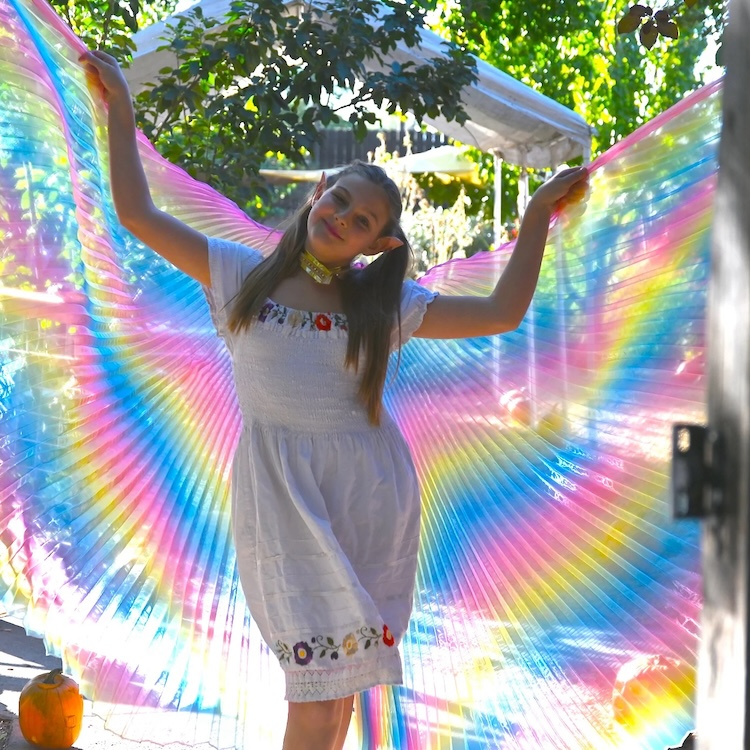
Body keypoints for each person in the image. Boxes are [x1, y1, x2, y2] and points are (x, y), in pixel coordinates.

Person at [79, 49, 589, 750]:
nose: (342, 217)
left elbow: (502, 312)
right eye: (339, 199)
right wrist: (120, 109)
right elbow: (136, 211)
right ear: (319, 191)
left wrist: (535, 216)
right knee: (313, 693)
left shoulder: (383, 307)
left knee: (340, 697)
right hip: (283, 499)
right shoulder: (237, 274)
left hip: (369, 498)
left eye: (362, 220)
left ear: (380, 243)